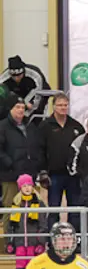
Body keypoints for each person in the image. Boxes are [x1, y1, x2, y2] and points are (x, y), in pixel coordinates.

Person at [38, 92, 85, 230]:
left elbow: (82, 150)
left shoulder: (76, 126)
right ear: (54, 107)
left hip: (73, 176)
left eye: (65, 105)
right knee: (53, 209)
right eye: (60, 105)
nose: (63, 108)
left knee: (75, 209)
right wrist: (42, 171)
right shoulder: (45, 126)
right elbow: (39, 150)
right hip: (54, 175)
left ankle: (75, 240)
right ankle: (52, 241)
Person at [0, 95, 41, 229]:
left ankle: (28, 243)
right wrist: (10, 163)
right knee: (10, 208)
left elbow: (37, 147)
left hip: (29, 175)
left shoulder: (31, 126)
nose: (20, 110)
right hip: (10, 175)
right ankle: (8, 244)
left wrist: (36, 165)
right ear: (10, 109)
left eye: (23, 107)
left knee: (31, 209)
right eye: (17, 107)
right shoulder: (3, 127)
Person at [6, 174, 47, 269]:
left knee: (32, 267)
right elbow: (11, 226)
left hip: (34, 242)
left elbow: (43, 225)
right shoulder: (16, 203)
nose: (27, 188)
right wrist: (10, 242)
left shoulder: (39, 203)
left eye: (29, 185)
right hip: (19, 242)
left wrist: (41, 242)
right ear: (20, 188)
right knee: (20, 268)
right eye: (24, 186)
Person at [0, 55, 51, 124]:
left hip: (37, 93)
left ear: (23, 72)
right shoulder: (4, 77)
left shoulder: (35, 75)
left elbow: (38, 99)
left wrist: (25, 114)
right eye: (13, 77)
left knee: (33, 120)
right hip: (17, 95)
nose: (16, 79)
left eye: (19, 76)